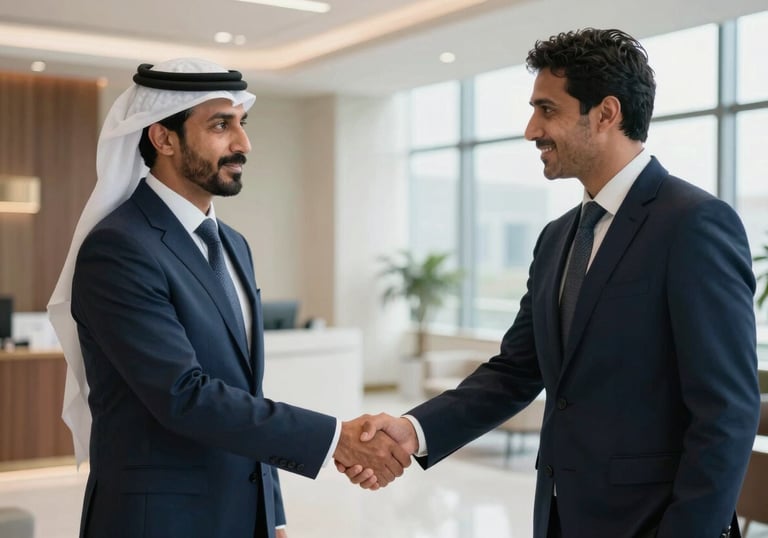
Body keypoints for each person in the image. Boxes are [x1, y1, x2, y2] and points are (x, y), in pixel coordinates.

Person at [341, 28, 762, 538]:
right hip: (561, 518)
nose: (530, 130)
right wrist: (413, 430)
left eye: (547, 110)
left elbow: (726, 410)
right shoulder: (558, 236)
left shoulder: (694, 223)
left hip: (655, 524)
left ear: (606, 114)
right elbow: (517, 370)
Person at [47, 58, 409, 538]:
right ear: (164, 138)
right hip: (157, 522)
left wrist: (272, 513)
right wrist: (335, 439)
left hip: (241, 513)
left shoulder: (232, 244)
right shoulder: (119, 247)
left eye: (242, 124)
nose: (243, 144)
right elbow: (184, 396)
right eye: (221, 125)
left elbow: (244, 395)